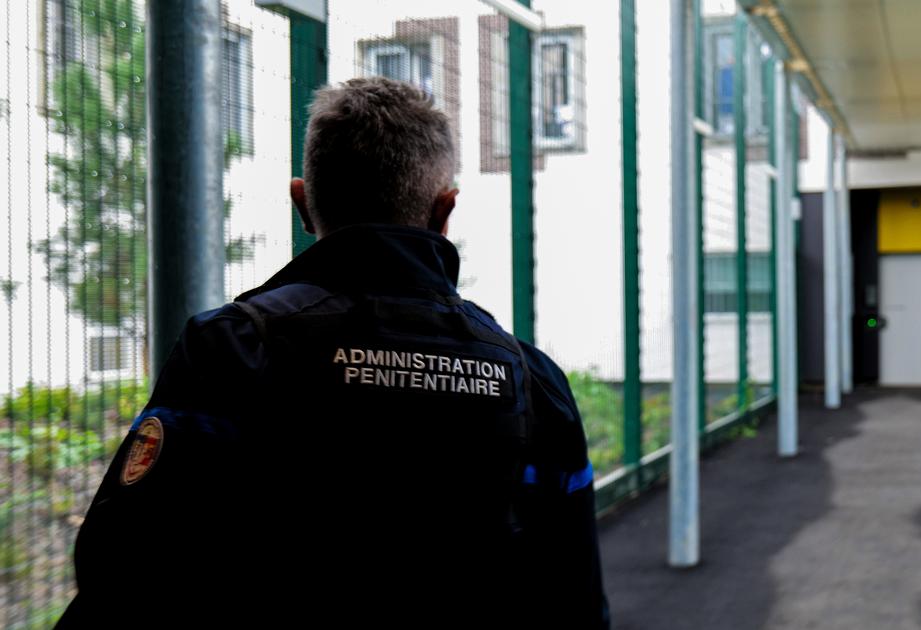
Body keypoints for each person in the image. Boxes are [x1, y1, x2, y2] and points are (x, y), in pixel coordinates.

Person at [56, 77, 609, 628]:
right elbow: (575, 599)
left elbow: (119, 564)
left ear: (302, 202)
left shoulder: (232, 348)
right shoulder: (530, 380)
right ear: (445, 210)